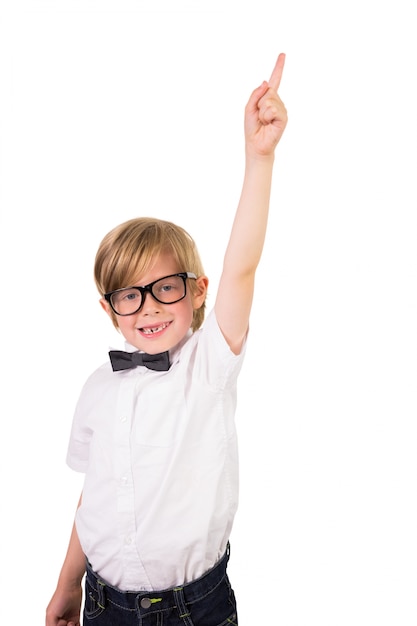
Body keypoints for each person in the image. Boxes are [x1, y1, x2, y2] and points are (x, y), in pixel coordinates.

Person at [46, 52, 288, 626]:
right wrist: (66, 583)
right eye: (130, 295)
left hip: (194, 609)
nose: (149, 307)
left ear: (198, 290)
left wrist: (258, 158)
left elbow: (242, 268)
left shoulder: (208, 365)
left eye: (165, 288)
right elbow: (94, 499)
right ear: (110, 309)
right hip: (104, 604)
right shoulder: (98, 388)